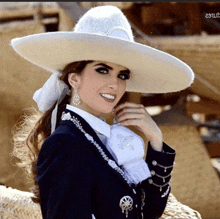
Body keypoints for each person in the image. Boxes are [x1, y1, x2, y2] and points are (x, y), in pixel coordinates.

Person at [11, 5, 194, 219]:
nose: (114, 84)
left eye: (122, 75)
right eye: (103, 70)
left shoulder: (103, 138)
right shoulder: (65, 144)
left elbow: (147, 211)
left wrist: (155, 140)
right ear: (74, 78)